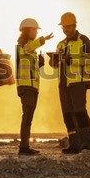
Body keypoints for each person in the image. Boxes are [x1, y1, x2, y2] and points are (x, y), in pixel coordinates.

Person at [49, 12, 90, 154]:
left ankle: (87, 143)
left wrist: (70, 60)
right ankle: (74, 145)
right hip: (63, 84)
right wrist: (53, 61)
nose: (66, 29)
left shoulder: (84, 40)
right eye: (64, 27)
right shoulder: (61, 44)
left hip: (78, 83)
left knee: (80, 112)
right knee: (67, 115)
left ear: (75, 25)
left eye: (68, 26)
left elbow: (87, 60)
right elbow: (55, 66)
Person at [16, 18, 53, 155]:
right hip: (26, 87)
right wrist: (43, 40)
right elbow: (27, 48)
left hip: (32, 87)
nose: (37, 33)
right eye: (35, 30)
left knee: (29, 116)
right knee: (27, 116)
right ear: (27, 30)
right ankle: (23, 147)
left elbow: (30, 67)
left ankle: (25, 146)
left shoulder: (31, 48)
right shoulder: (22, 44)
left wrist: (40, 64)